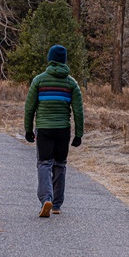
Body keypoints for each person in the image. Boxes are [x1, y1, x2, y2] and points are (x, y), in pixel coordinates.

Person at [24, 44, 84, 218]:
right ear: (64, 61)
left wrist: (28, 130)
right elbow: (79, 111)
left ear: (50, 59)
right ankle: (56, 204)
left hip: (44, 129)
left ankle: (46, 200)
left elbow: (29, 108)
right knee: (60, 164)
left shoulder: (39, 80)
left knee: (44, 163)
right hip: (63, 130)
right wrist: (79, 134)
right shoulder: (71, 83)